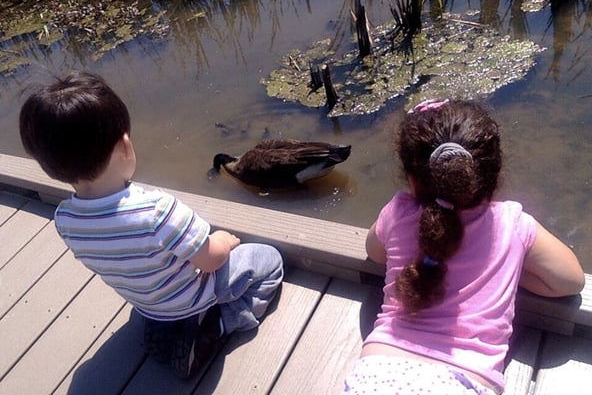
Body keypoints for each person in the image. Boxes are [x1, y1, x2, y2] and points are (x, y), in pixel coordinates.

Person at [18, 71, 284, 379]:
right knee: (269, 260)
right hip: (195, 294)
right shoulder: (156, 210)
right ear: (125, 146)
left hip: (149, 303)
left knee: (163, 290)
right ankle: (224, 321)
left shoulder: (65, 219)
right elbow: (210, 260)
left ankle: (166, 327)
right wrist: (224, 240)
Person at [342, 99, 585, 395]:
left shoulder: (398, 213)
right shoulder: (512, 224)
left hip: (377, 372)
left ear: (412, 180)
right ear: (492, 176)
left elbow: (374, 252)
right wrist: (510, 269)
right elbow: (570, 282)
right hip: (461, 381)